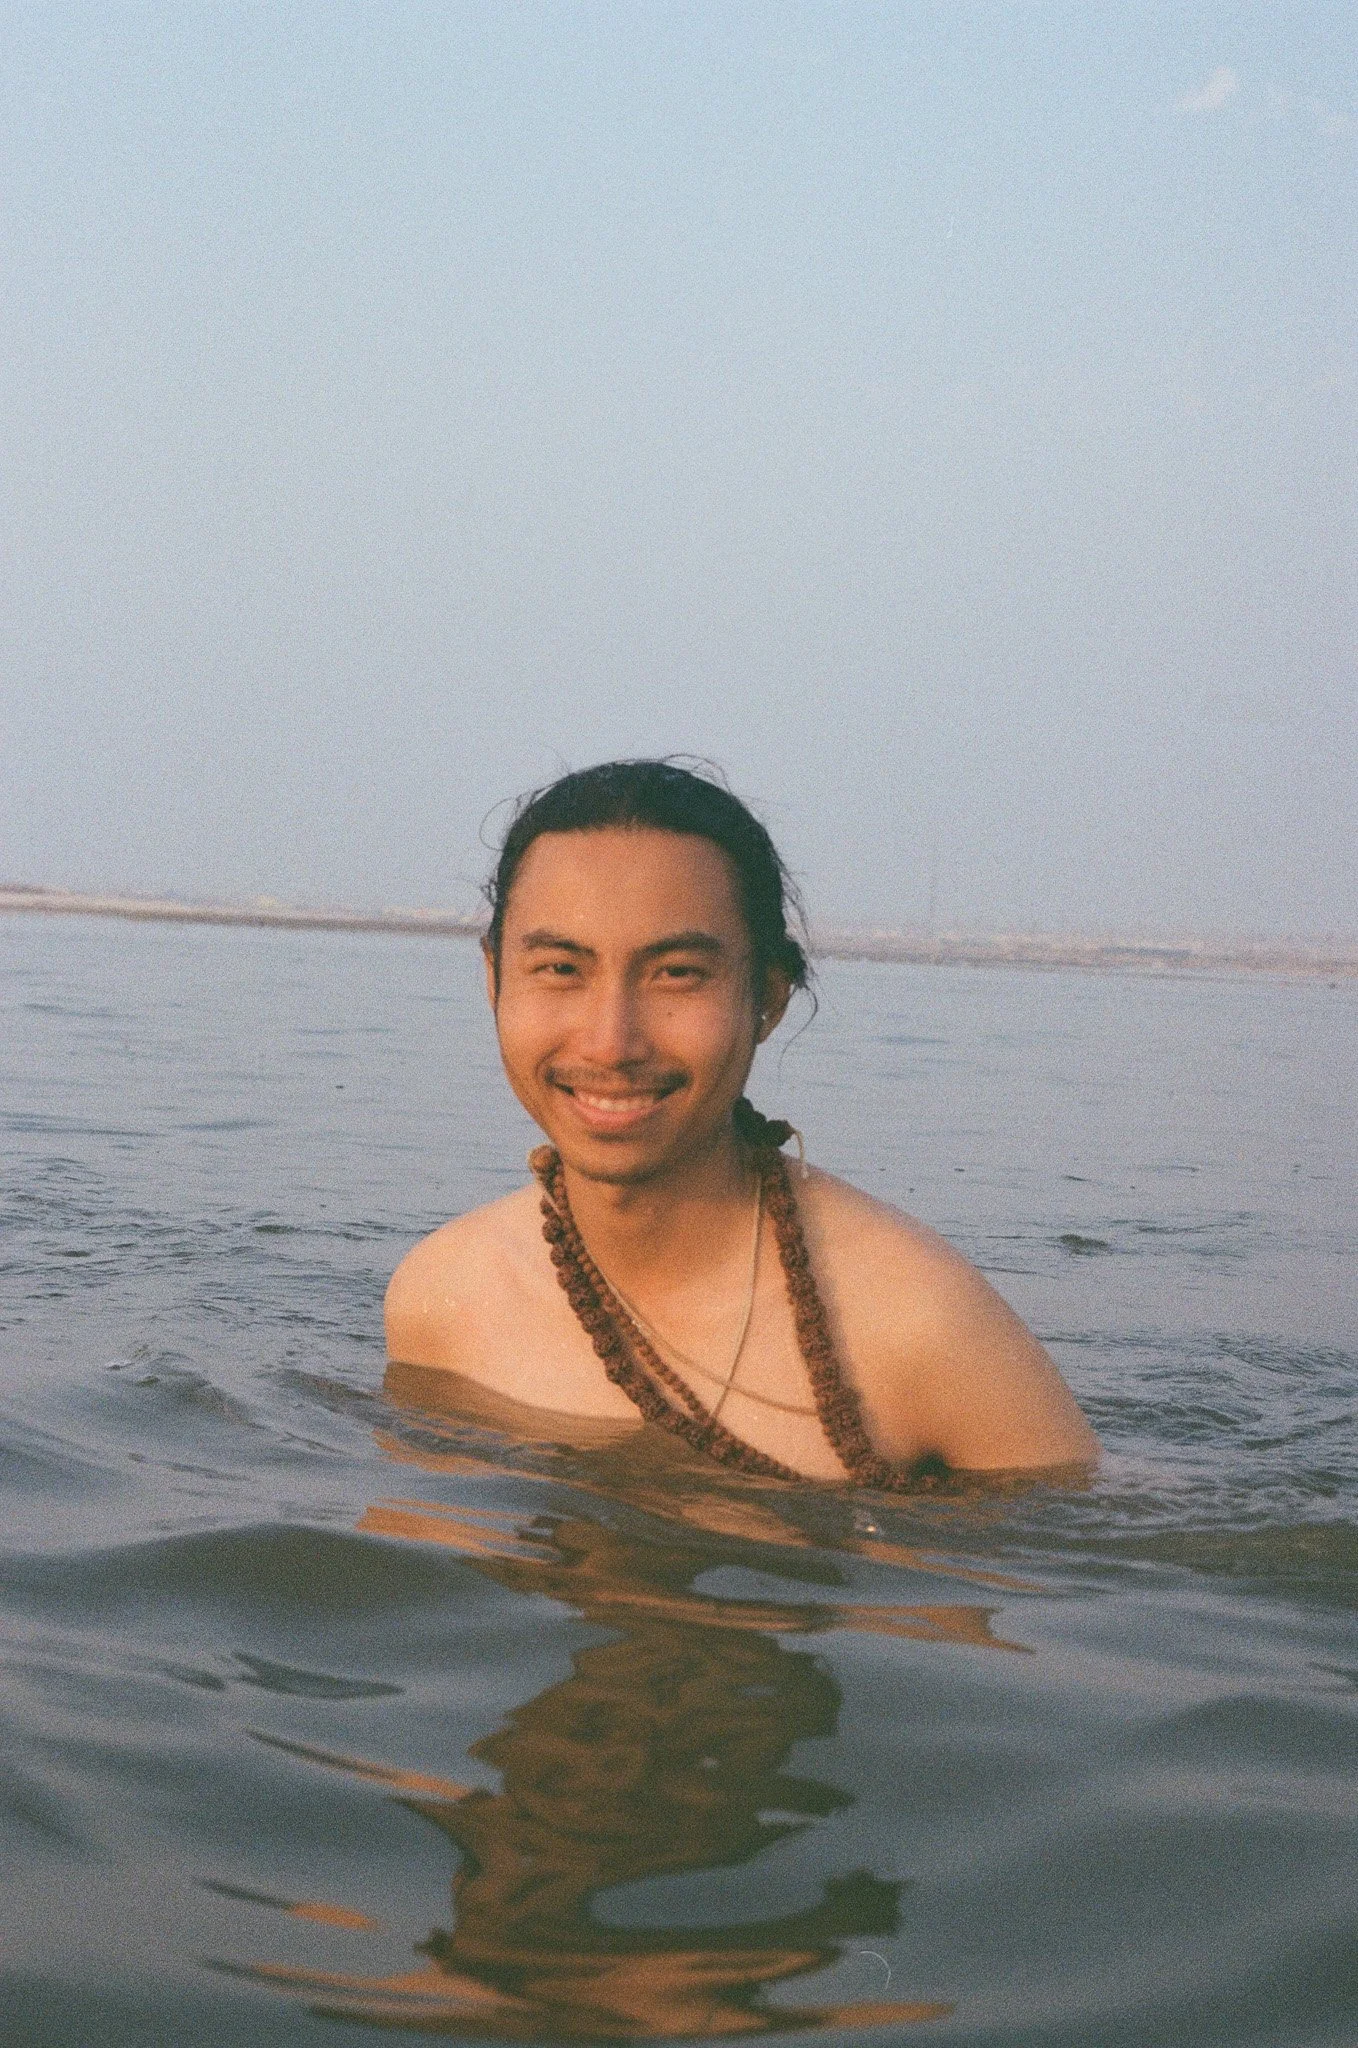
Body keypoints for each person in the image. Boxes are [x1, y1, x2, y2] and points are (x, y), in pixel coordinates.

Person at [385, 760, 1098, 1486]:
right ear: (493, 979)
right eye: (562, 969)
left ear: (769, 997)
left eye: (678, 973)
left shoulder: (921, 1328)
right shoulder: (444, 1301)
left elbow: (1075, 1569)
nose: (610, 1042)